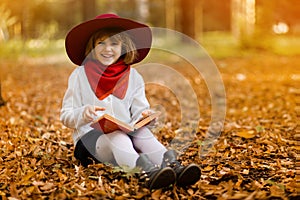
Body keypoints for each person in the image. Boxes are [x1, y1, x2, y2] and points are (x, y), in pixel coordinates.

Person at [60, 13, 201, 190]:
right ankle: (144, 171)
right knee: (117, 136)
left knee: (142, 134)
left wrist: (146, 116)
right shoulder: (79, 75)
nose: (107, 48)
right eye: (101, 43)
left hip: (126, 137)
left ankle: (173, 167)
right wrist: (83, 113)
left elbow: (139, 112)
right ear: (92, 46)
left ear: (123, 47)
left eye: (114, 43)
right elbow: (65, 116)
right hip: (90, 143)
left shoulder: (133, 77)